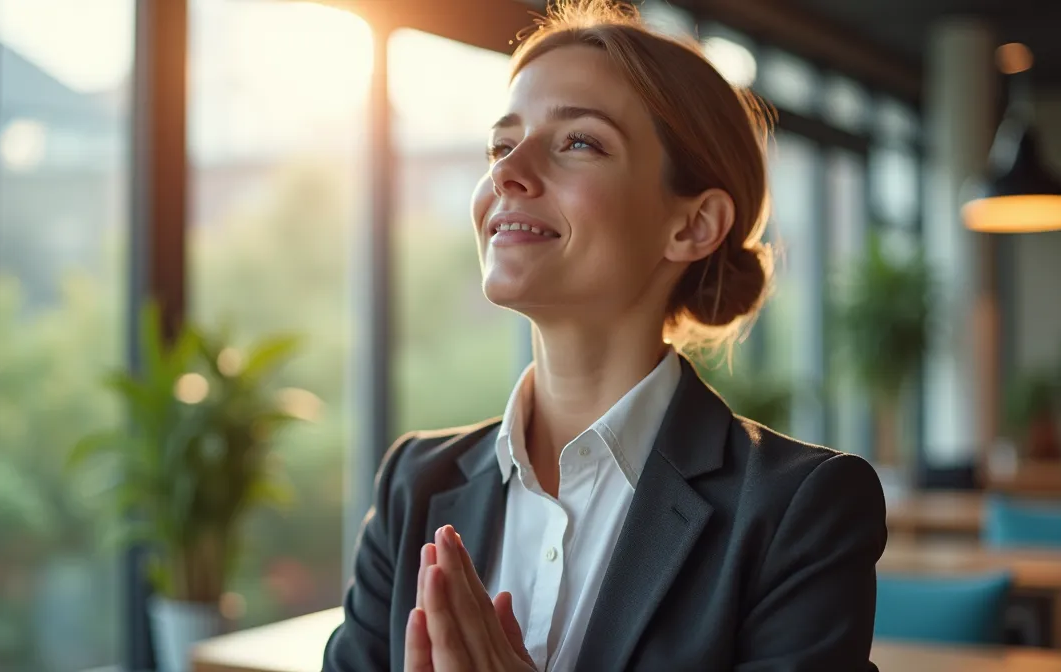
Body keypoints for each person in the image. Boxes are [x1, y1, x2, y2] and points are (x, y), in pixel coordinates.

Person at [322, 1, 886, 669]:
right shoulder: (413, 484)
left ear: (694, 225)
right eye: (502, 145)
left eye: (579, 142)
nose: (506, 170)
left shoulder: (800, 511)